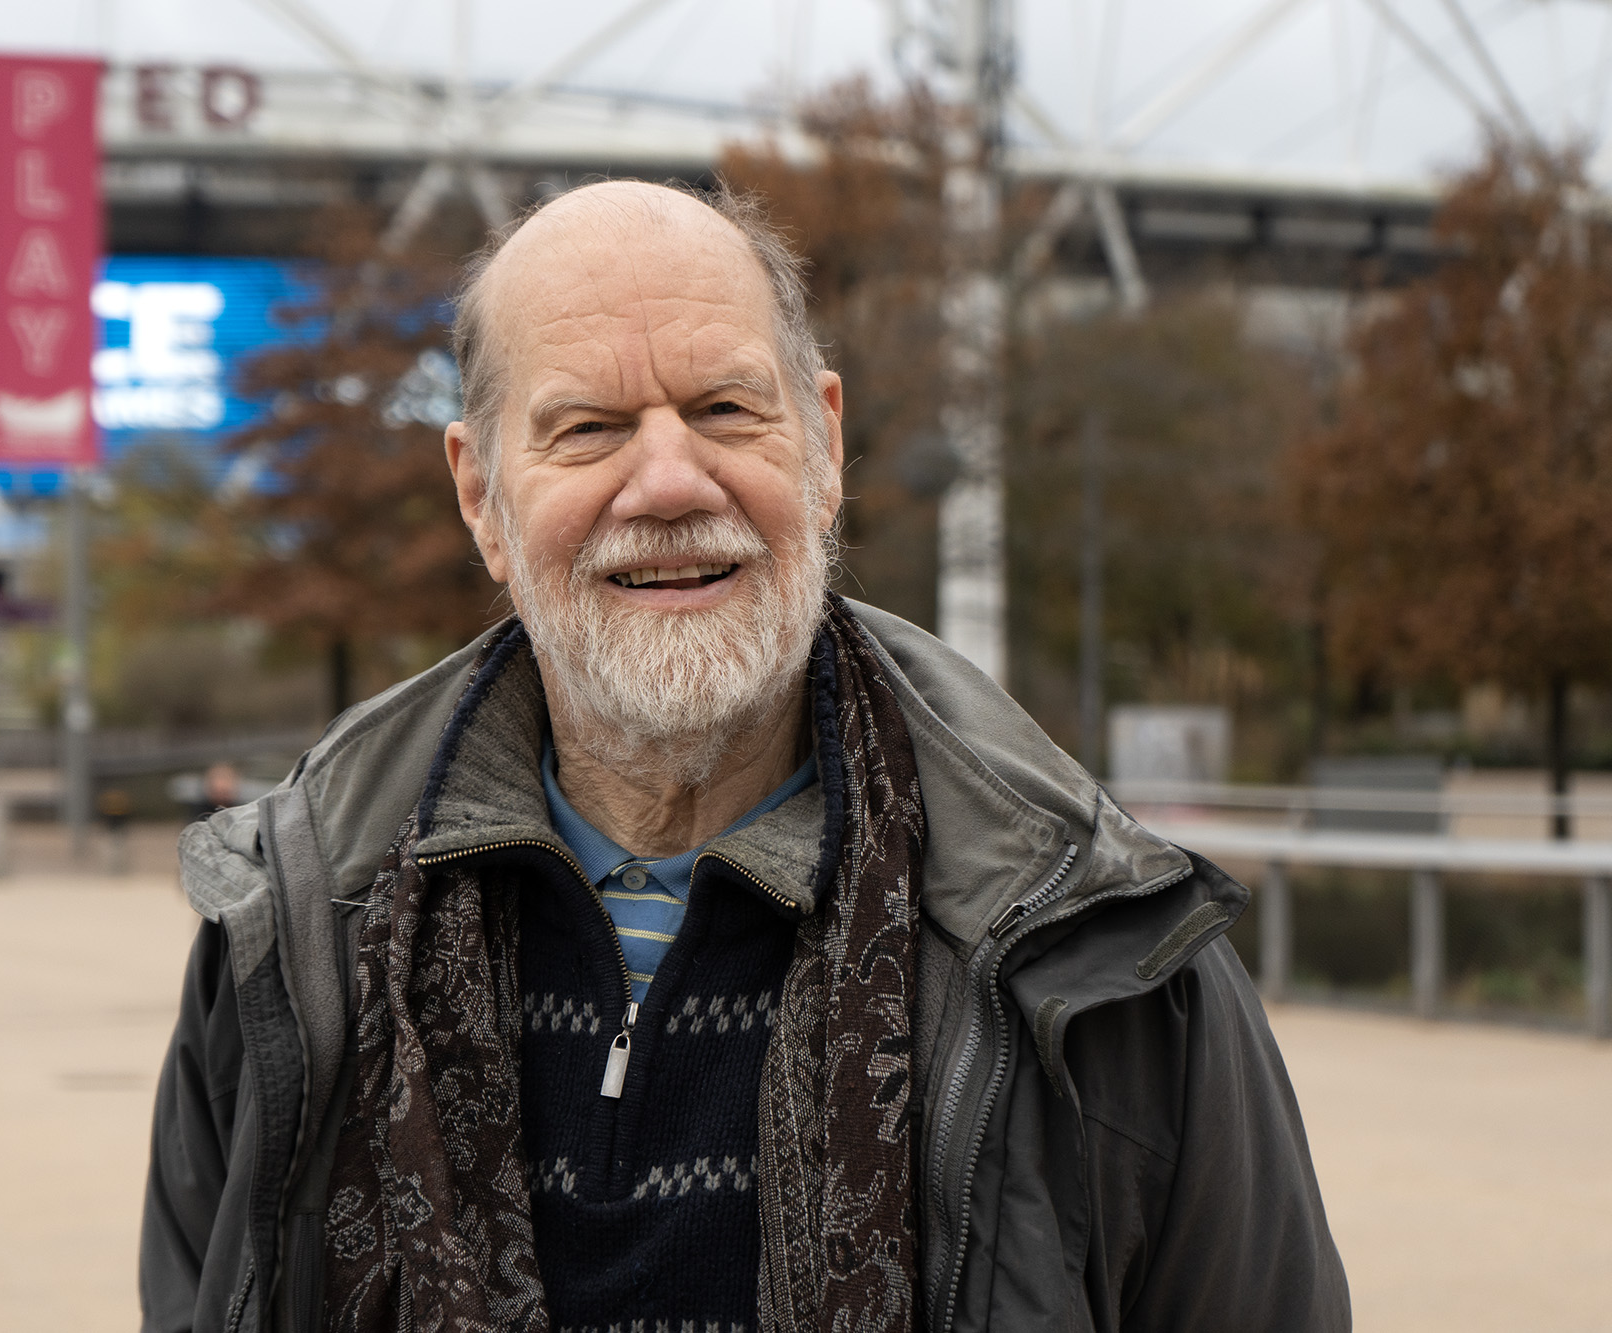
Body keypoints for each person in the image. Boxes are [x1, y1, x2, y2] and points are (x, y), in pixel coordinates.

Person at [140, 181, 1348, 1333]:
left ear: (820, 447)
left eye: (724, 410)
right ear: (478, 493)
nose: (667, 482)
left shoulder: (1099, 949)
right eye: (587, 428)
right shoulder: (291, 935)